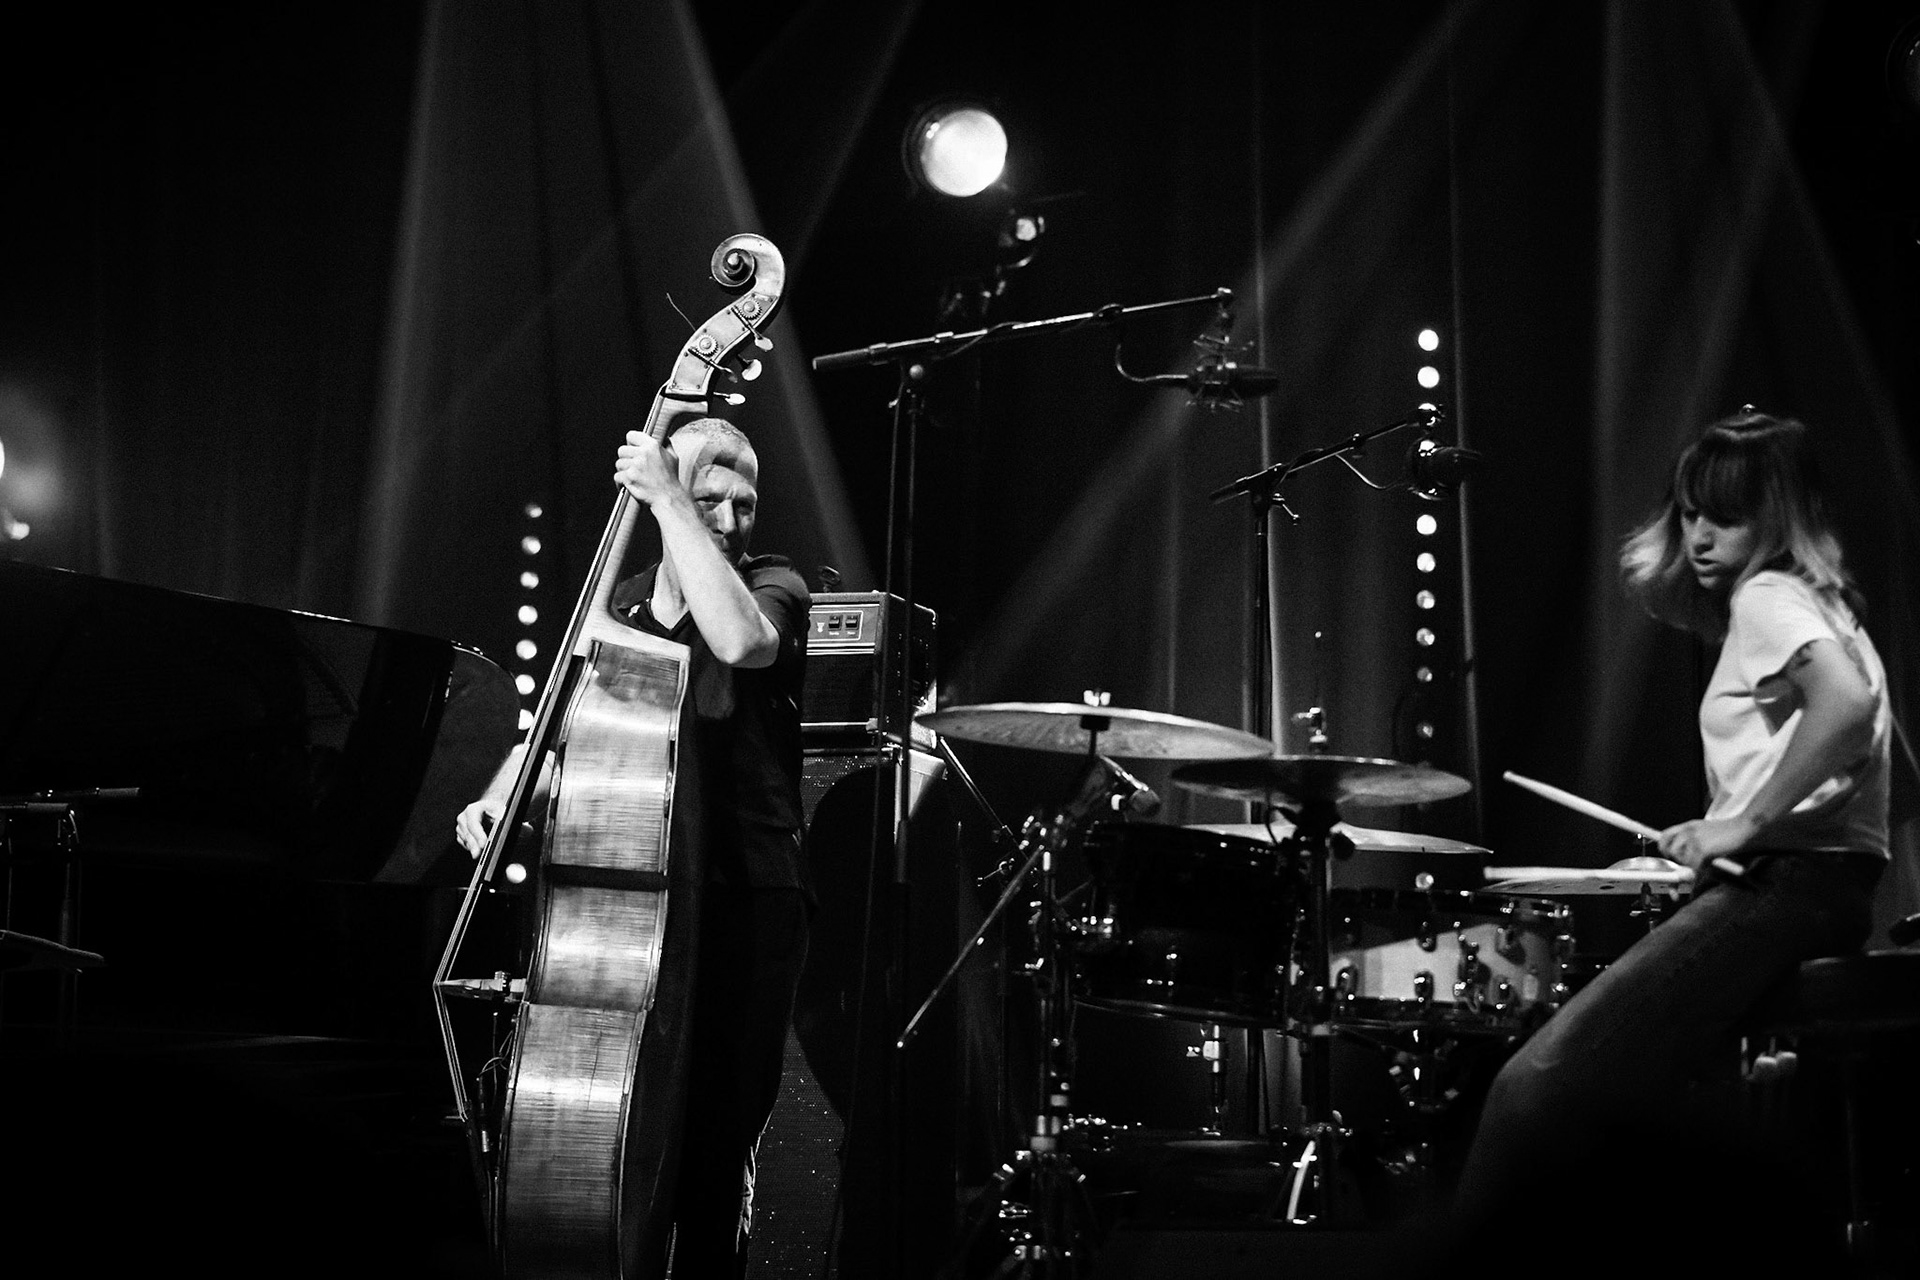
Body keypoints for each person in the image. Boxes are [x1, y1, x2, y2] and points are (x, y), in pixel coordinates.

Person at [1447, 409, 1891, 1264]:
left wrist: (1745, 822)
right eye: (1690, 512)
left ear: (1779, 517)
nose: (1698, 535)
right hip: (1828, 889)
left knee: (1533, 1092)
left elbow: (1846, 707)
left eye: (1724, 516)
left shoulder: (1768, 597)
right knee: (1656, 1108)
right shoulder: (1826, 605)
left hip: (1787, 887)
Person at [456, 416, 811, 1278]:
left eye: (745, 504)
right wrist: (503, 794)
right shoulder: (615, 604)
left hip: (745, 900)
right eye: (709, 500)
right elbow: (560, 726)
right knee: (613, 1138)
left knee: (715, 1153)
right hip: (631, 903)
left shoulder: (775, 584)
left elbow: (736, 644)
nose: (728, 521)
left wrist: (670, 499)